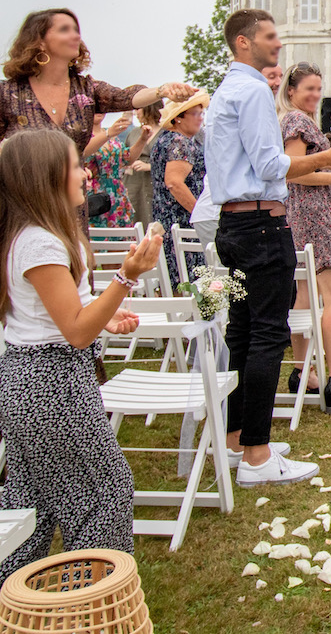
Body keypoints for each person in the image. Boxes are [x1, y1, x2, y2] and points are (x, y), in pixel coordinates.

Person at [204, 9, 331, 487]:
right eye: (270, 37)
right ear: (243, 43)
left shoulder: (225, 90)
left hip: (232, 224)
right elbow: (271, 164)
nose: (278, 44)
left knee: (241, 333)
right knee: (266, 336)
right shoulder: (254, 88)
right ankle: (257, 455)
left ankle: (238, 439)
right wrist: (330, 158)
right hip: (260, 224)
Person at [0, 129, 162, 580]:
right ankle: (92, 609)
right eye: (75, 165)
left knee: (29, 506)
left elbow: (59, 314)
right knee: (103, 495)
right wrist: (126, 278)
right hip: (51, 384)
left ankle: (14, 606)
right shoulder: (40, 243)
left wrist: (103, 314)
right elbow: (72, 333)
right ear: (46, 177)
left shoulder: (29, 235)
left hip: (27, 379)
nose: (85, 172)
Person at [0, 9, 197, 227]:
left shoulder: (85, 89)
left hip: (70, 207)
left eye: (76, 30)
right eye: (65, 29)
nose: (76, 36)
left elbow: (126, 96)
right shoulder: (8, 93)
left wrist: (161, 90)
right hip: (24, 204)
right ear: (39, 41)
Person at [277, 63, 331, 412]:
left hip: (300, 214)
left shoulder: (296, 121)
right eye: (308, 89)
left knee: (304, 295)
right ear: (291, 91)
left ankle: (303, 372)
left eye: (318, 89)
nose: (314, 95)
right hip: (315, 214)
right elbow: (293, 173)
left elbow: (308, 166)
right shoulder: (296, 122)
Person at [151, 93, 210, 284]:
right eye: (195, 114)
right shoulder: (179, 142)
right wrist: (199, 213)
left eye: (202, 113)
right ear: (178, 118)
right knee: (189, 279)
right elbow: (174, 183)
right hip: (181, 219)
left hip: (166, 216)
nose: (201, 118)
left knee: (175, 277)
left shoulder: (164, 139)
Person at [85, 112, 136, 229]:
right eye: (94, 108)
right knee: (99, 238)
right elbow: (83, 153)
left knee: (123, 241)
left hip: (118, 193)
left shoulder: (112, 135)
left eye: (101, 107)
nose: (98, 111)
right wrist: (108, 134)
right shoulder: (82, 137)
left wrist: (143, 139)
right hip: (95, 196)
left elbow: (127, 159)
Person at [124, 101, 162, 228]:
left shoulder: (166, 132)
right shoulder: (134, 133)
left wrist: (150, 166)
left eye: (138, 109)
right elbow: (124, 156)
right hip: (134, 183)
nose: (135, 113)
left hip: (154, 184)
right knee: (136, 220)